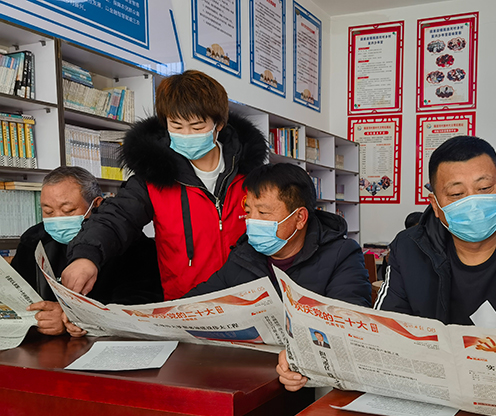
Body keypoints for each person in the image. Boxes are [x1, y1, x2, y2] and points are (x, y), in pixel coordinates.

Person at [278, 136, 496, 389]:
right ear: (436, 206)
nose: (473, 203)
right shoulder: (409, 251)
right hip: (441, 409)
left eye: (484, 189)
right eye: (456, 194)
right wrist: (309, 358)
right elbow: (383, 335)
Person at [60, 70, 268, 300]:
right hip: (187, 306)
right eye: (176, 126)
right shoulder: (153, 177)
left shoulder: (250, 175)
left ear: (218, 124)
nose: (186, 134)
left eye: (197, 127)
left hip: (251, 301)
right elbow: (117, 217)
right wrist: (86, 255)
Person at [186, 162, 371, 307]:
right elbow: (197, 301)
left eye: (264, 213)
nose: (252, 221)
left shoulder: (342, 255)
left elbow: (348, 320)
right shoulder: (243, 255)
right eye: (249, 212)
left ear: (300, 217)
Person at [10, 167, 162, 336]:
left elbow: (140, 308)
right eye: (48, 212)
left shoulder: (133, 245)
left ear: (96, 204)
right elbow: (17, 296)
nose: (57, 219)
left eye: (68, 211)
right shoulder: (34, 239)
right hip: (41, 347)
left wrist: (73, 317)